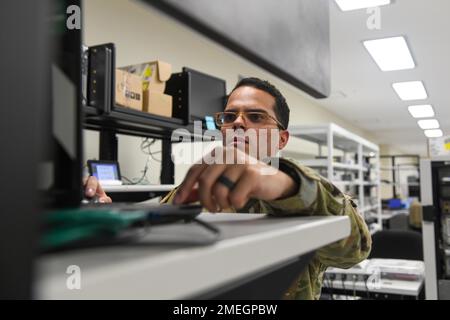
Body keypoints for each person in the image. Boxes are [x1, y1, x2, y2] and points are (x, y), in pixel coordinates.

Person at [84, 77, 372, 299]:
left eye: (256, 117)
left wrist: (282, 183)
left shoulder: (301, 194)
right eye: (229, 117)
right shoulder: (198, 187)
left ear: (281, 139)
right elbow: (150, 242)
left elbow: (355, 250)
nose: (238, 124)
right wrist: (107, 216)